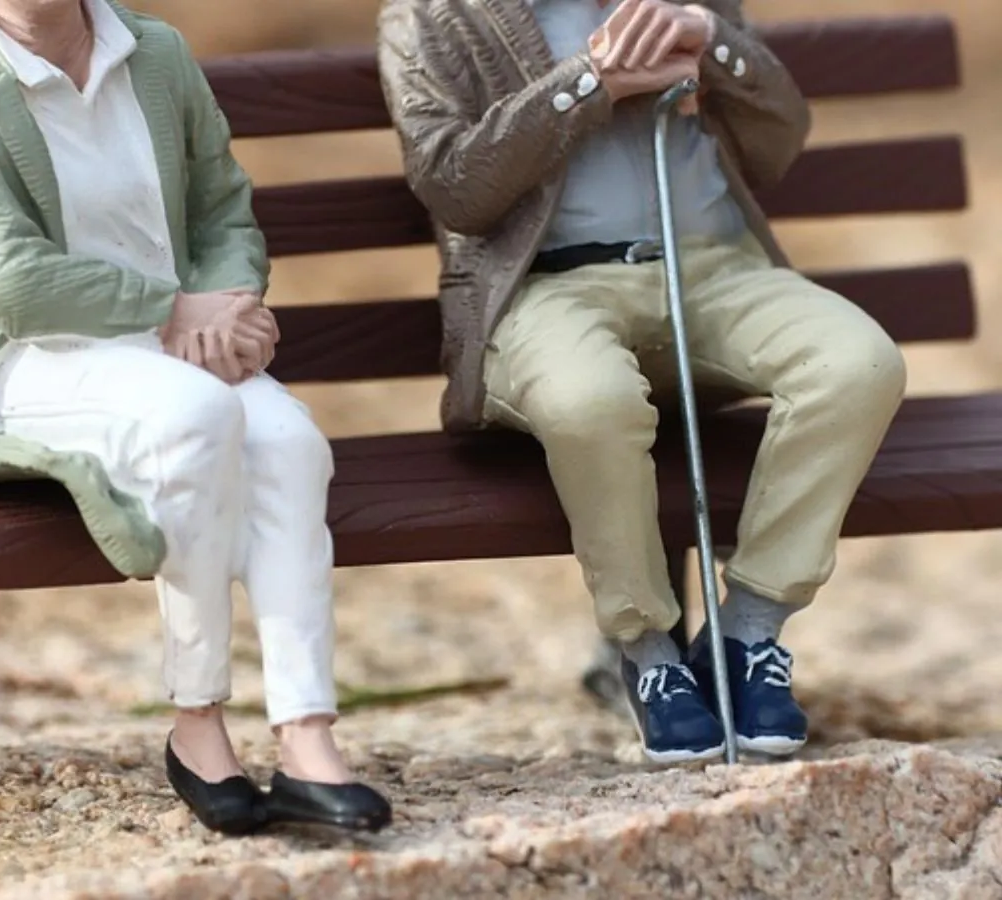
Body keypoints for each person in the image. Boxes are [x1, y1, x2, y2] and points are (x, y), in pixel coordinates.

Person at [0, 0, 391, 832]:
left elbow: (221, 208)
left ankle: (306, 737)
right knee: (196, 417)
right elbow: (16, 283)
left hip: (172, 342)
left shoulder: (155, 55)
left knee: (291, 442)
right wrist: (173, 310)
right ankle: (197, 722)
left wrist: (230, 306)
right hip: (33, 362)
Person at [376, 0, 906, 762]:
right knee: (590, 399)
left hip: (713, 268)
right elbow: (455, 186)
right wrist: (591, 83)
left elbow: (779, 140)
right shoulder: (432, 15)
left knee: (859, 363)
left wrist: (713, 44)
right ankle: (648, 655)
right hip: (544, 287)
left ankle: (745, 635)